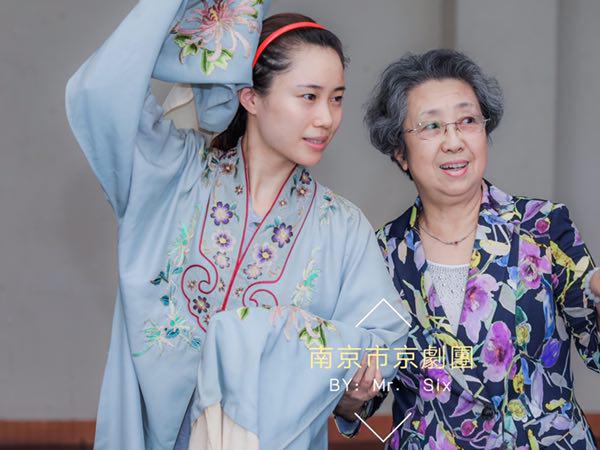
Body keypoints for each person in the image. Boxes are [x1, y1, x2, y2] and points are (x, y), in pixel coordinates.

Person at [65, 1, 407, 448]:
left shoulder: (341, 227)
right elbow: (101, 91)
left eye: (336, 98)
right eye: (309, 96)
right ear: (250, 97)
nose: (326, 118)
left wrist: (348, 393)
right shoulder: (174, 178)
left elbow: (384, 341)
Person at [361, 49, 600, 449]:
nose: (454, 141)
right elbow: (364, 395)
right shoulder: (382, 254)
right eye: (431, 126)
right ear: (400, 152)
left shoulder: (543, 227)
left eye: (467, 121)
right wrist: (351, 391)